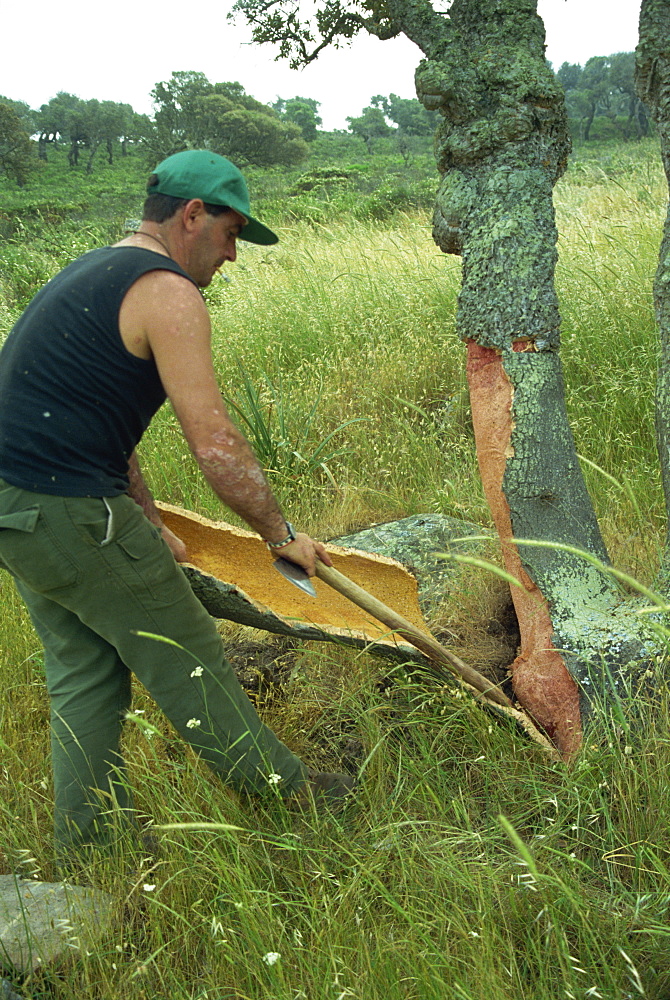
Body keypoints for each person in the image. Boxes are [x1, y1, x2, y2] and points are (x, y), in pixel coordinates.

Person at [0, 150, 354, 859]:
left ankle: (91, 848)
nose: (231, 255)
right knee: (188, 658)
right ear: (192, 215)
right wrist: (281, 533)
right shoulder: (167, 291)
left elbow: (101, 423)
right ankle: (297, 803)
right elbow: (216, 440)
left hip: (18, 513)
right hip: (68, 510)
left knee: (85, 675)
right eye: (230, 233)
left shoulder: (92, 271)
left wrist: (152, 522)